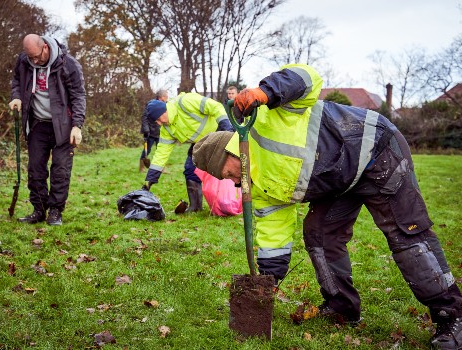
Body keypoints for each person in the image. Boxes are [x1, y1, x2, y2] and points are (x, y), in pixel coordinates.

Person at [192, 63, 462, 349]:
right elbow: (274, 232)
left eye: (228, 172)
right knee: (320, 234)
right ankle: (341, 307)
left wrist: (266, 91)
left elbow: (309, 78)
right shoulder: (259, 188)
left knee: (405, 233)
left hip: (375, 150)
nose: (231, 181)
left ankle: (451, 315)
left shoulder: (270, 118)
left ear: (231, 151)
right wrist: (269, 278)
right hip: (340, 181)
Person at [9, 34, 86, 226]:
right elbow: (17, 81)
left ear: (45, 47)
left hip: (64, 126)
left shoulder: (68, 64)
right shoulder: (24, 61)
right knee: (35, 169)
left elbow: (78, 95)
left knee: (60, 169)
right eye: (30, 58)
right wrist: (16, 96)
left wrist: (77, 125)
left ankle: (55, 211)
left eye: (37, 57)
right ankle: (39, 209)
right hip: (38, 124)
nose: (34, 61)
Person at [143, 92, 234, 213]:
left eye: (158, 119)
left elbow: (215, 106)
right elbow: (161, 154)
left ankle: (231, 201)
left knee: (227, 169)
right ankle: (195, 207)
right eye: (156, 122)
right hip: (199, 143)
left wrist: (226, 128)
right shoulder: (167, 129)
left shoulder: (185, 101)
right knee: (190, 170)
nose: (159, 123)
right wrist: (151, 179)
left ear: (163, 111)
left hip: (218, 132)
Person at [139, 89, 168, 173]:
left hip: (161, 132)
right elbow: (144, 117)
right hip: (150, 132)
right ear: (162, 97)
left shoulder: (166, 105)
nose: (167, 98)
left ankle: (161, 168)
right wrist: (146, 130)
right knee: (147, 150)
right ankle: (141, 167)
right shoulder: (150, 104)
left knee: (161, 150)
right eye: (166, 96)